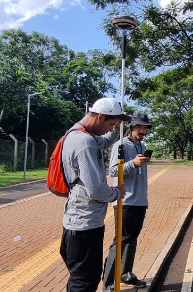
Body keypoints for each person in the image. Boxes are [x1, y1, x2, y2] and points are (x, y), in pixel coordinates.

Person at [60, 97, 130, 292]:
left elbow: (106, 141)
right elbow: (96, 190)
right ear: (100, 116)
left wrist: (117, 127)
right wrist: (117, 192)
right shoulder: (85, 143)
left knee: (79, 279)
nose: (111, 128)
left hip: (76, 223)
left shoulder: (78, 134)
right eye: (111, 123)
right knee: (85, 282)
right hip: (85, 227)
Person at [102, 113, 153, 291]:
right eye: (139, 127)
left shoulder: (142, 145)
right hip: (126, 202)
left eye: (145, 127)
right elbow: (113, 171)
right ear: (131, 127)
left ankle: (126, 273)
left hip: (140, 201)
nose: (142, 130)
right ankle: (108, 282)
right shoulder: (121, 145)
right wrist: (133, 163)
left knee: (132, 239)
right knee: (121, 241)